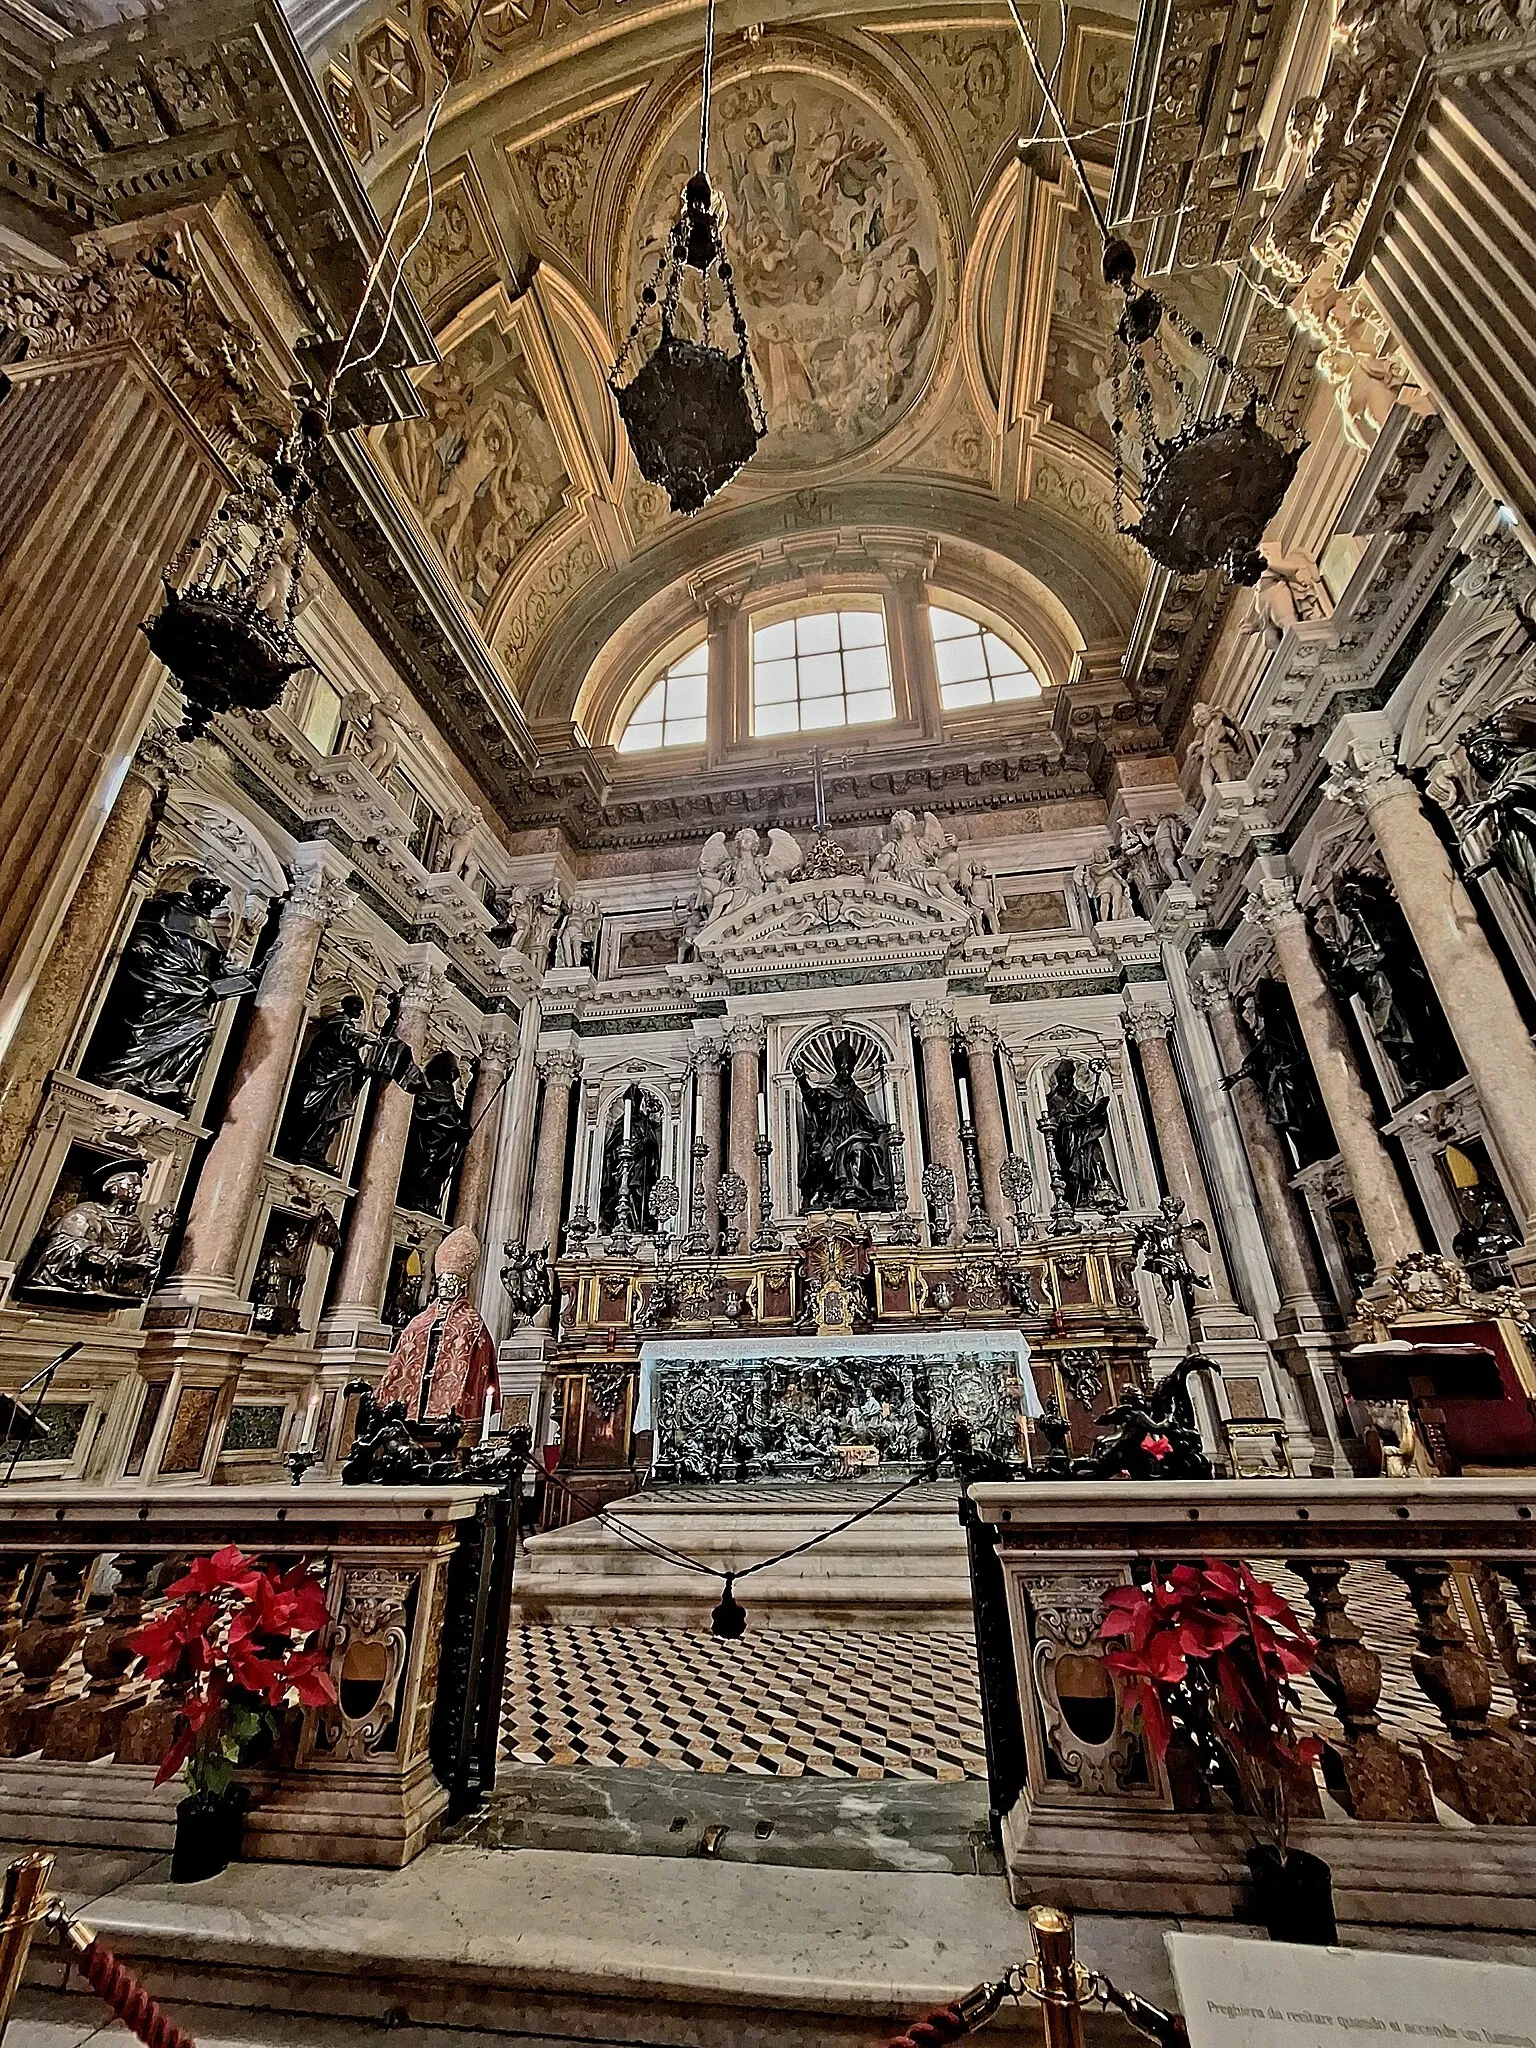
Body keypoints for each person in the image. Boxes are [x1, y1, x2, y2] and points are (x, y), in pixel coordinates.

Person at [90, 876, 256, 1112]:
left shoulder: (209, 929)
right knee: (145, 1027)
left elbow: (219, 966)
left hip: (193, 992)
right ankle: (127, 1070)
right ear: (199, 891)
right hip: (162, 982)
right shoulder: (169, 908)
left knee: (202, 1032)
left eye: (218, 898)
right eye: (212, 894)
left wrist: (252, 974)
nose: (214, 900)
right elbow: (147, 931)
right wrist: (144, 944)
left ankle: (161, 1080)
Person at [796, 1040, 894, 1211]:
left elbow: (866, 1117)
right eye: (841, 1070)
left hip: (856, 1134)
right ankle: (835, 1191)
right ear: (836, 1069)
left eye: (847, 1070)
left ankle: (854, 1190)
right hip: (833, 1137)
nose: (844, 1072)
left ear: (852, 1070)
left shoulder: (856, 1093)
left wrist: (877, 1126)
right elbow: (812, 1101)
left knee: (860, 1149)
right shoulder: (828, 1092)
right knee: (824, 1157)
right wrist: (802, 1079)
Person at [280, 994, 376, 1168]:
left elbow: (352, 1056)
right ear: (347, 1006)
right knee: (313, 1112)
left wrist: (363, 1069)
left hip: (337, 1081)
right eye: (357, 1006)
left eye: (361, 1008)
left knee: (332, 1117)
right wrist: (366, 1037)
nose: (360, 1011)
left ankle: (314, 1151)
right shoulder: (337, 1023)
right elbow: (346, 1035)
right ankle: (302, 1148)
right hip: (323, 1077)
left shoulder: (345, 1027)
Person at [1040, 1059, 1121, 1210]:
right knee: (1073, 1171)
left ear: (1072, 1079)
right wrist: (1079, 1118)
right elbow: (1059, 1118)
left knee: (1097, 1162)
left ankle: (1099, 1194)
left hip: (1087, 1139)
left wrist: (1096, 1113)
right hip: (1069, 1141)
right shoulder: (1055, 1099)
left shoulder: (1081, 1096)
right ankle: (1078, 1199)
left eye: (1068, 1079)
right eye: (1062, 1079)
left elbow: (1092, 1114)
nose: (1065, 1082)